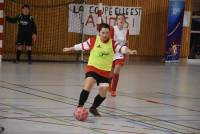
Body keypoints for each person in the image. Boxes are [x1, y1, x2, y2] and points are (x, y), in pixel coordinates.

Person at [63, 23, 137, 117]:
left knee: (103, 93)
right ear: (99, 33)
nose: (105, 35)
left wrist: (130, 51)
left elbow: (122, 48)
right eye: (103, 32)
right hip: (93, 68)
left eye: (107, 33)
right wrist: (70, 48)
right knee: (89, 84)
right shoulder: (93, 40)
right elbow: (81, 46)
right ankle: (79, 107)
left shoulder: (113, 43)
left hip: (105, 72)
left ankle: (93, 108)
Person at [109, 14, 134, 97]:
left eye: (122, 19)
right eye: (119, 19)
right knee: (110, 73)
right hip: (112, 51)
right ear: (116, 21)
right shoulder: (113, 29)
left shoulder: (126, 30)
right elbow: (111, 41)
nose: (121, 20)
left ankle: (113, 90)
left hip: (120, 52)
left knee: (116, 70)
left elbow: (126, 42)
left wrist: (128, 53)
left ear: (124, 21)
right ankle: (109, 85)